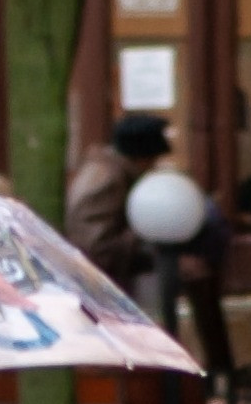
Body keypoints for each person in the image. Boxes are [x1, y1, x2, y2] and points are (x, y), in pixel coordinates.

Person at [65, 113, 174, 289]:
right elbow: (95, 246)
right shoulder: (111, 179)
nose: (154, 166)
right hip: (101, 280)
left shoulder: (105, 169)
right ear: (141, 156)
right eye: (153, 159)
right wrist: (145, 228)